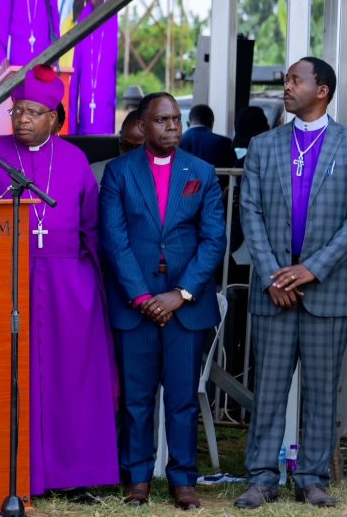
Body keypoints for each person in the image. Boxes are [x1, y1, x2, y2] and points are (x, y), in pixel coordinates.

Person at [0, 65, 119, 500]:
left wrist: (92, 288)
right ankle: (7, 473)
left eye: (32, 112)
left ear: (54, 117)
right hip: (3, 281)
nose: (22, 120)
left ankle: (72, 478)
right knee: (9, 380)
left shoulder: (74, 159)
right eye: (18, 111)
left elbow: (91, 229)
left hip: (69, 285)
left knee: (70, 382)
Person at [234, 57, 347, 509]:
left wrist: (312, 268)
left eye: (296, 79)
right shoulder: (263, 145)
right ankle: (261, 477)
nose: (286, 85)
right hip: (274, 287)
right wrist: (275, 272)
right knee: (269, 389)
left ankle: (311, 478)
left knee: (321, 391)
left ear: (323, 90)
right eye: (287, 79)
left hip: (327, 290)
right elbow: (250, 211)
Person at [99, 92, 226, 510]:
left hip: (185, 307)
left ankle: (183, 479)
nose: (172, 127)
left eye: (177, 120)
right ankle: (137, 478)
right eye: (163, 120)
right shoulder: (118, 173)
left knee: (182, 398)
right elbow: (114, 240)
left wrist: (179, 293)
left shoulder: (202, 173)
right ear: (142, 125)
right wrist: (141, 296)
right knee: (137, 399)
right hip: (135, 306)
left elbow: (213, 240)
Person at [70, 0, 118, 135]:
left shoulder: (115, 15)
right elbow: (75, 77)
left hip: (108, 125)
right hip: (82, 125)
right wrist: (71, 130)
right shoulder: (84, 16)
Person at [90, 109, 144, 185]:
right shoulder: (97, 172)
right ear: (120, 140)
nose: (130, 155)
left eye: (139, 148)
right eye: (126, 146)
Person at [180, 104, 238, 170]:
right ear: (211, 123)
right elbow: (233, 170)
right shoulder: (224, 142)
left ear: (188, 124)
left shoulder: (175, 143)